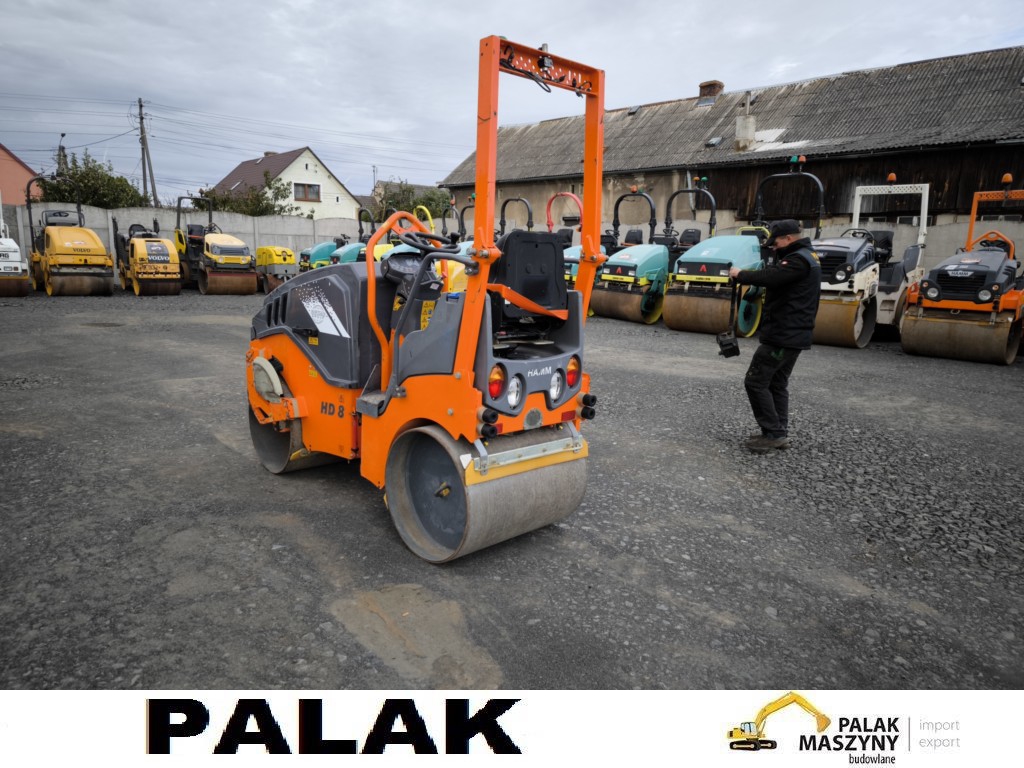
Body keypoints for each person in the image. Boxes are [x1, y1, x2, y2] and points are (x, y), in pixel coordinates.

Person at [728, 219, 821, 454]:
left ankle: (773, 434)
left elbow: (772, 277)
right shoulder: (809, 256)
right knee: (777, 383)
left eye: (776, 242)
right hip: (794, 334)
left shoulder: (798, 260)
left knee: (755, 381)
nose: (774, 246)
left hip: (783, 335)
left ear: (788, 238)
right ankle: (778, 431)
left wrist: (741, 274)